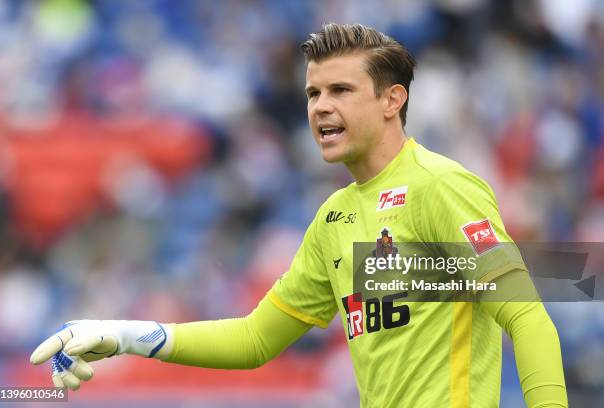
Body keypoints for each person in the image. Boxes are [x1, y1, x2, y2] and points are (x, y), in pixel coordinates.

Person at [31, 23, 568, 407]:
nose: (319, 106)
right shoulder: (333, 219)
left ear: (392, 100)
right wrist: (123, 334)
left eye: (340, 90)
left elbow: (527, 315)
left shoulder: (441, 186)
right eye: (313, 92)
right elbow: (254, 341)